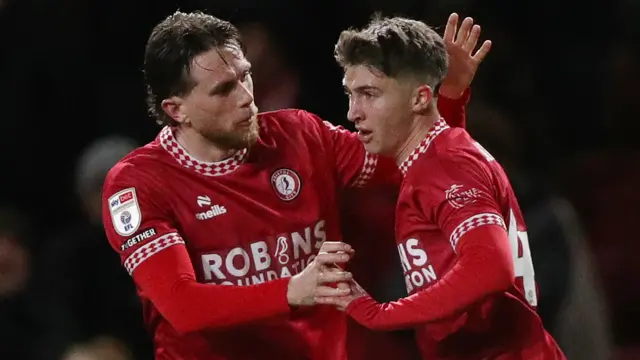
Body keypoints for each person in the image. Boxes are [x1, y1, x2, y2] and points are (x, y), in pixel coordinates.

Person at [101, 10, 479, 360]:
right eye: (223, 89)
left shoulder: (301, 136)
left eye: (245, 75)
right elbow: (183, 306)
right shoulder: (137, 184)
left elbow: (413, 164)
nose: (248, 97)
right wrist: (290, 291)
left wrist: (447, 96)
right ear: (175, 109)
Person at [317, 15, 566, 359]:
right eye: (351, 94)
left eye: (369, 94)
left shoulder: (444, 165)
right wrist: (450, 96)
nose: (352, 113)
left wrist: (381, 312)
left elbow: (490, 266)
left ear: (420, 98)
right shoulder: (439, 157)